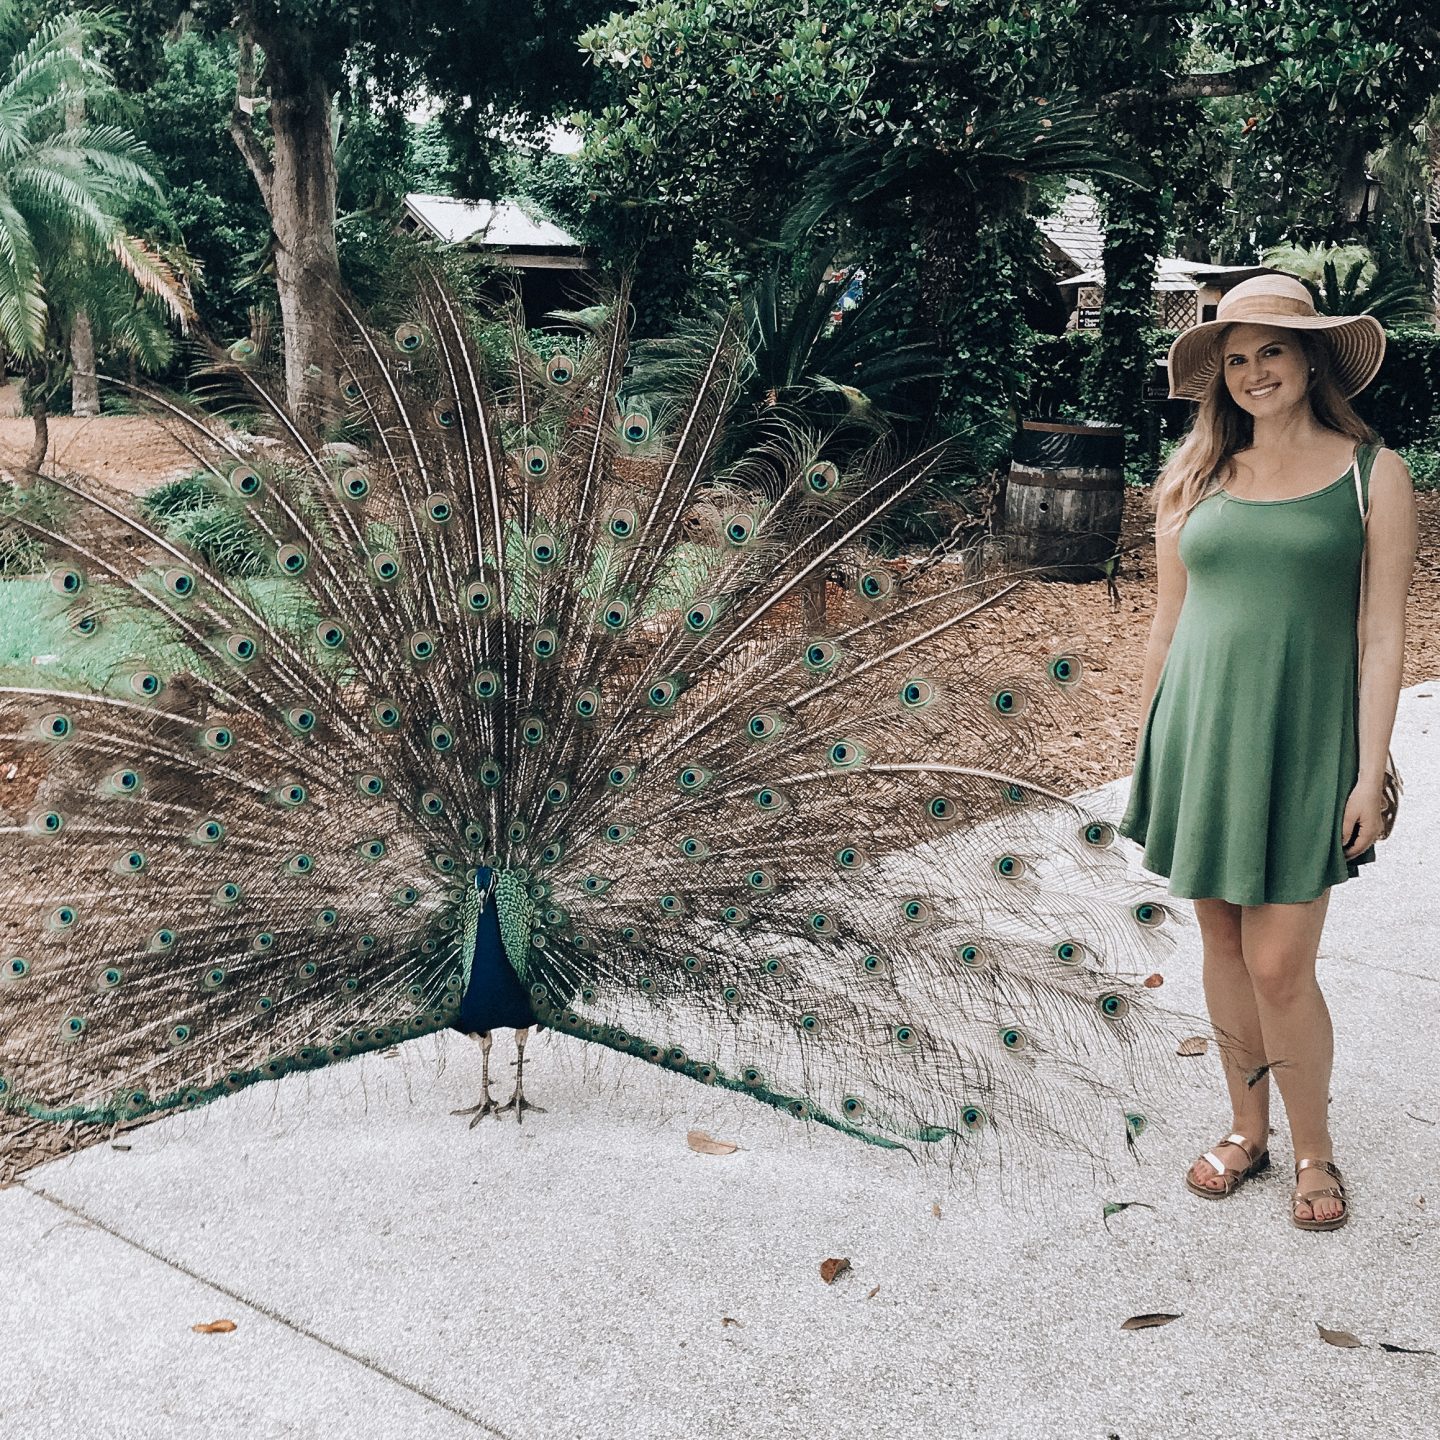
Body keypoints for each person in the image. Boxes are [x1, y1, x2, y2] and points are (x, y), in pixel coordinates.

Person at [1117, 272, 1418, 1231]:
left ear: (1313, 357)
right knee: (1221, 946)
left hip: (1304, 740)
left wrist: (1369, 772)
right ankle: (1247, 1128)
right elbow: (1171, 619)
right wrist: (1148, 742)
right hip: (1201, 734)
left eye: (1271, 351)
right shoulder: (1193, 475)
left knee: (1282, 963)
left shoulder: (1375, 476)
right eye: (1236, 359)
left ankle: (1315, 1151)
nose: (1253, 372)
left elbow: (1381, 638)